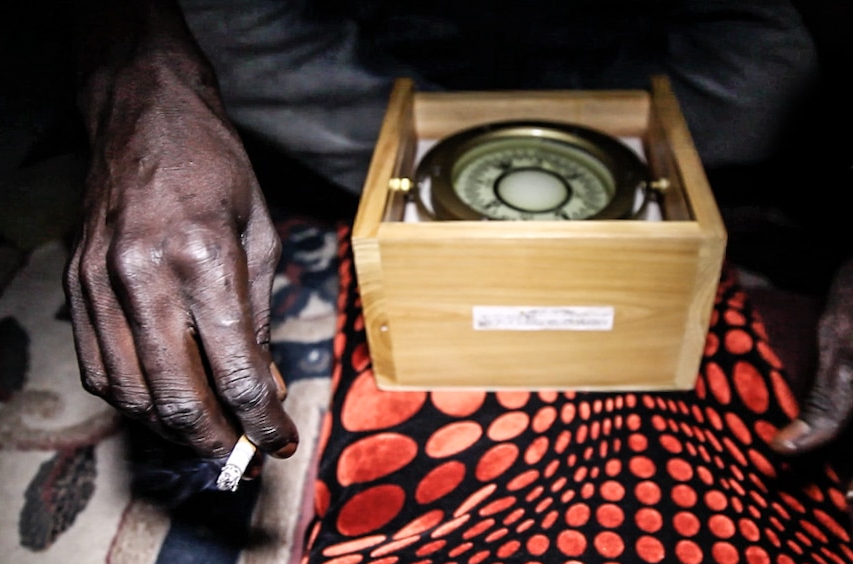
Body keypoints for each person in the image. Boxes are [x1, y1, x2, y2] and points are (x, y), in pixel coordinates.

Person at [65, 0, 851, 466]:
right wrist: (145, 70)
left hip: (648, 28)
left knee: (778, 74)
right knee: (219, 26)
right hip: (378, 35)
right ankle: (418, 119)